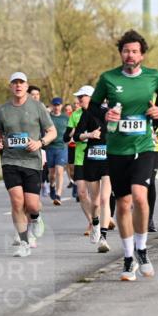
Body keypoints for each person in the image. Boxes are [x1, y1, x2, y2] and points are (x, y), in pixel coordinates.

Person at [90, 30, 158, 280]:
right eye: (126, 51)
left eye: (134, 51)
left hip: (144, 146)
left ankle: (142, 249)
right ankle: (127, 259)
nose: (130, 55)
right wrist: (104, 115)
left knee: (140, 195)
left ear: (142, 55)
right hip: (116, 149)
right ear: (121, 54)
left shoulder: (153, 76)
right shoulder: (108, 78)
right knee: (123, 203)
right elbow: (92, 107)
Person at [0, 72, 57, 257]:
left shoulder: (37, 107)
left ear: (27, 86)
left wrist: (40, 143)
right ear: (10, 86)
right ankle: (23, 242)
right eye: (14, 83)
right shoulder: (3, 110)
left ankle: (36, 218)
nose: (18, 86)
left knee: (32, 205)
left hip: (32, 161)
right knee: (16, 201)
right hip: (10, 160)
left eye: (21, 83)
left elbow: (51, 131)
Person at [73, 93, 113, 252]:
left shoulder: (118, 115)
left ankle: (103, 238)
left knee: (105, 199)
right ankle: (95, 223)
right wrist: (89, 134)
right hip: (91, 159)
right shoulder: (88, 113)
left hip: (109, 159)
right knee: (95, 202)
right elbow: (76, 135)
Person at [66, 86, 94, 236]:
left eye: (82, 96)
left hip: (97, 157)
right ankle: (91, 221)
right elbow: (66, 137)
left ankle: (104, 218)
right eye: (78, 97)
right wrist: (74, 132)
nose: (79, 99)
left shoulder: (100, 113)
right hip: (80, 157)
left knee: (98, 194)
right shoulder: (75, 115)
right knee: (82, 193)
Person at [45, 97, 69, 206]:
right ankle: (52, 186)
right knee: (52, 174)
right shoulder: (48, 117)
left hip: (62, 147)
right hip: (50, 147)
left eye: (58, 105)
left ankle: (58, 195)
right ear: (52, 106)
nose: (56, 107)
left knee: (59, 171)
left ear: (61, 106)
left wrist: (70, 137)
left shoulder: (65, 118)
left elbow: (71, 129)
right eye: (55, 105)